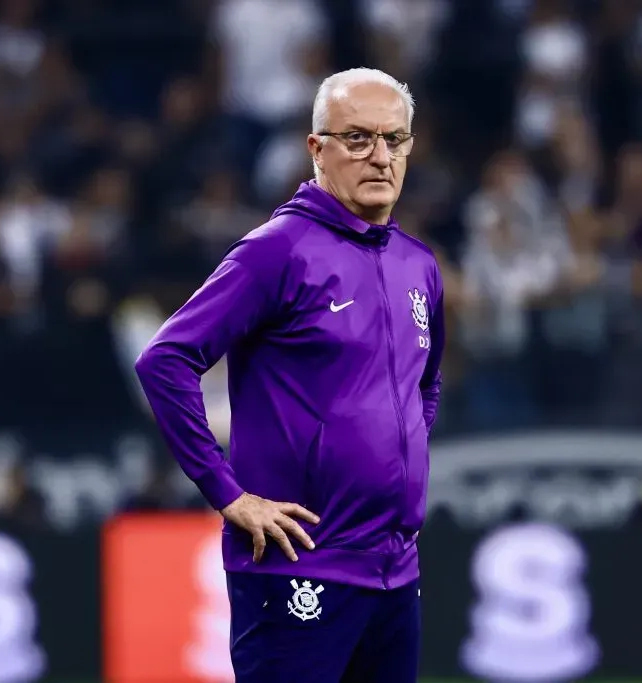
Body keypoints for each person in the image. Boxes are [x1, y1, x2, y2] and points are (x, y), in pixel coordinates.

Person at [134, 68, 444, 683]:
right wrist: (228, 495)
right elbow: (165, 360)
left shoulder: (419, 265)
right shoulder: (278, 250)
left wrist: (391, 463)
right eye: (357, 138)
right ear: (316, 148)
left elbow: (423, 384)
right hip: (298, 565)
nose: (379, 156)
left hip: (393, 568)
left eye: (395, 139)